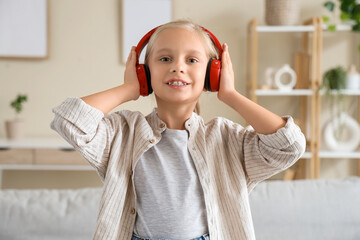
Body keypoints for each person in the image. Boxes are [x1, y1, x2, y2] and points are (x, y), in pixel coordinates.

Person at [51, 19, 306, 240]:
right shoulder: (122, 133)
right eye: (164, 58)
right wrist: (129, 89)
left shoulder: (226, 139)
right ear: (145, 73)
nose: (178, 67)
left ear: (211, 75)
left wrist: (230, 94)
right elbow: (69, 121)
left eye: (192, 59)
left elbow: (289, 145)